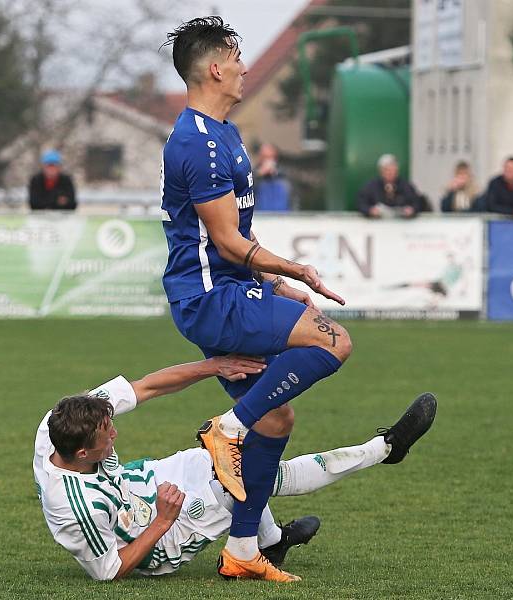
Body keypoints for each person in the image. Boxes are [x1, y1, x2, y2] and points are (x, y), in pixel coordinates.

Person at [160, 17, 362, 582]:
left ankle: (244, 550)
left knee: (275, 420)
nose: (246, 66)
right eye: (236, 55)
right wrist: (298, 269)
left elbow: (230, 242)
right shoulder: (194, 143)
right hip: (210, 299)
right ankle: (227, 427)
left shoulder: (224, 132)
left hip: (230, 287)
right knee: (335, 341)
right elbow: (226, 241)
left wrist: (277, 283)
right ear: (216, 67)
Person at [33, 355, 437, 582]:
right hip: (159, 536)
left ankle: (272, 541)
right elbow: (109, 570)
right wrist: (162, 521)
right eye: (107, 435)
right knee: (253, 476)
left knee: (233, 458)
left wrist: (215, 366)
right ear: (83, 454)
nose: (115, 434)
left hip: (147, 481)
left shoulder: (61, 420)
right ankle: (384, 449)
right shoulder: (73, 506)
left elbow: (146, 387)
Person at [357, 154, 426, 218]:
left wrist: (412, 209)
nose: (390, 173)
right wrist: (370, 210)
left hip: (402, 225)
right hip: (377, 224)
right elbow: (361, 203)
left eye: (393, 170)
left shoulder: (406, 185)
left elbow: (417, 202)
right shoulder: (371, 186)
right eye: (387, 170)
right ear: (381, 171)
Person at [254, 143, 294, 212]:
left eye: (269, 157)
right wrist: (259, 175)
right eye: (264, 157)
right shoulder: (252, 175)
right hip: (259, 218)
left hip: (282, 218)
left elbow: (293, 198)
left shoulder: (284, 177)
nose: (267, 161)